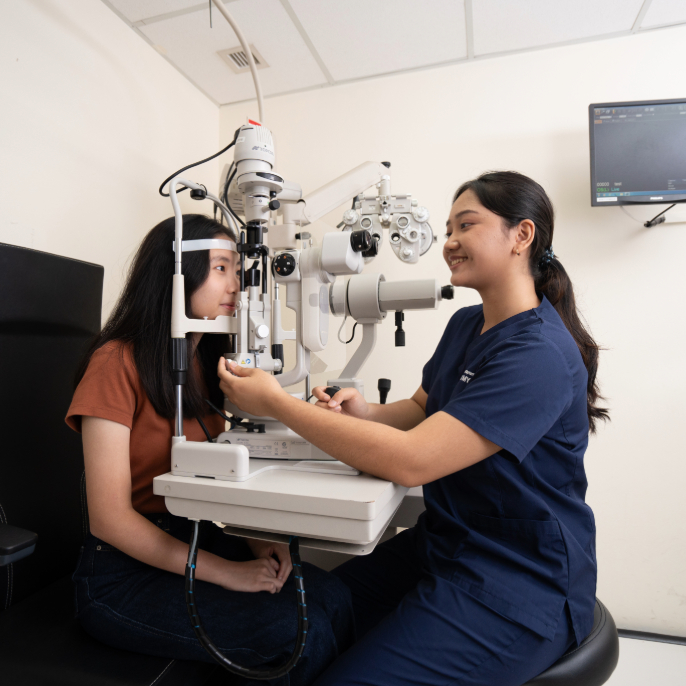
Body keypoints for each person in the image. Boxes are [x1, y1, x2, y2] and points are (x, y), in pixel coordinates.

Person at [217, 172, 607, 686]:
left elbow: (413, 459)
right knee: (305, 621)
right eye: (448, 228)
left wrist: (276, 402)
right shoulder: (467, 325)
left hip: (518, 584)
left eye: (466, 225)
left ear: (522, 235)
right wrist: (364, 414)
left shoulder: (539, 354)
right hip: (444, 546)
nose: (449, 242)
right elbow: (423, 408)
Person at [66, 214, 354, 686]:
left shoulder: (208, 364)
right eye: (221, 268)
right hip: (121, 576)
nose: (236, 285)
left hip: (192, 537)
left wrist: (259, 541)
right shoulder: (115, 361)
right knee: (298, 633)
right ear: (177, 274)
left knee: (333, 595)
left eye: (237, 270)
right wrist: (227, 572)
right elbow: (109, 519)